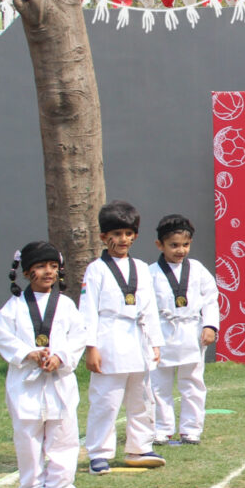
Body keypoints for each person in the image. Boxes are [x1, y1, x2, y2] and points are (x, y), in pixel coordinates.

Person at [0, 241, 86, 488]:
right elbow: (4, 337)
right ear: (26, 273)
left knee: (62, 437)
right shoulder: (13, 307)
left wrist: (60, 357)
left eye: (53, 266)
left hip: (59, 381)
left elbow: (78, 337)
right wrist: (29, 354)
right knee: (27, 438)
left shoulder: (66, 305)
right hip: (26, 382)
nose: (48, 271)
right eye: (41, 266)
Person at [81, 200, 166, 474]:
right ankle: (99, 453)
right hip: (108, 338)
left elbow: (150, 307)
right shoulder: (96, 269)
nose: (123, 240)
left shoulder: (141, 267)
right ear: (104, 237)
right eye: (116, 234)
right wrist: (91, 347)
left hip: (138, 339)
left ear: (135, 236)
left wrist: (155, 342)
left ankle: (140, 447)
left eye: (128, 234)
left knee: (142, 398)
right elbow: (88, 310)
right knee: (105, 401)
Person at [148, 215, 219, 445]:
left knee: (193, 383)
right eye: (174, 245)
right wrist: (149, 336)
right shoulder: (150, 273)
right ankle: (162, 428)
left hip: (191, 331)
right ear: (160, 245)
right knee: (159, 384)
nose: (181, 250)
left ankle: (191, 429)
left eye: (185, 245)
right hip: (162, 332)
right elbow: (146, 307)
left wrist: (210, 325)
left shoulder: (197, 269)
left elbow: (210, 299)